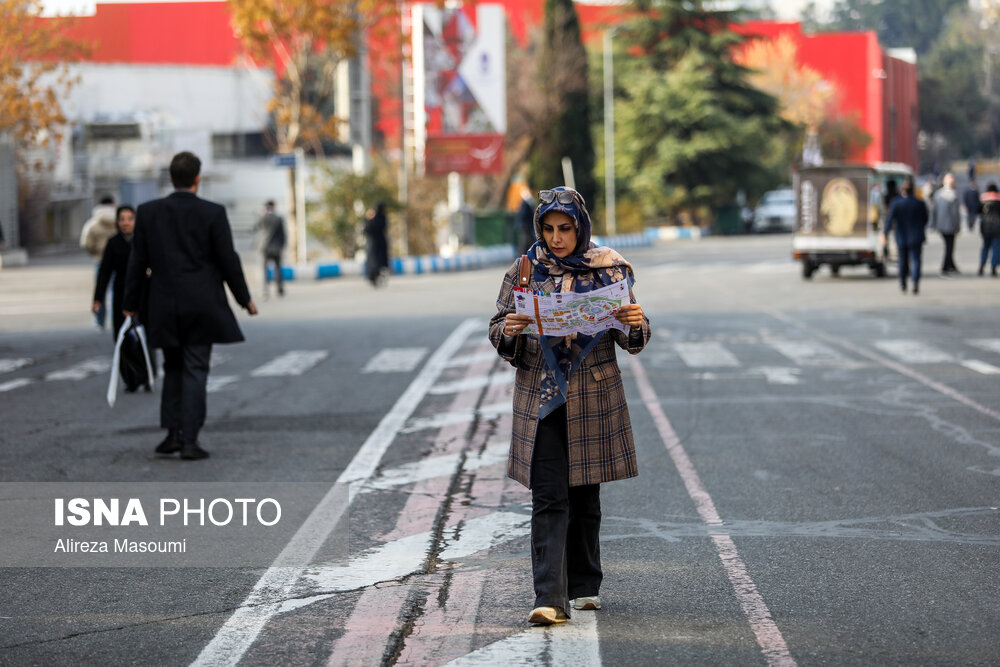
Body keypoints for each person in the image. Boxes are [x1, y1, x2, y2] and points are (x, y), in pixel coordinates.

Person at [489, 186, 650, 626]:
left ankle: (584, 584)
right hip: (541, 398)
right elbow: (497, 327)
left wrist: (635, 322)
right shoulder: (525, 269)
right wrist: (511, 329)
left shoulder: (609, 269)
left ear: (581, 227)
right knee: (549, 495)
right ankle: (549, 598)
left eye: (565, 228)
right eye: (549, 229)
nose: (556, 238)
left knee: (584, 495)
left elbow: (632, 338)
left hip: (592, 396)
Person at [123, 151, 257, 460]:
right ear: (197, 179)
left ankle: (172, 433)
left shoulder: (148, 212)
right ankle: (190, 440)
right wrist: (244, 299)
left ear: (171, 179)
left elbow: (137, 262)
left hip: (163, 304)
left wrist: (130, 303)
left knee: (172, 366)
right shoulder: (212, 213)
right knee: (195, 369)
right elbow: (227, 259)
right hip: (201, 304)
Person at [93, 205, 138, 342]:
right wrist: (98, 299)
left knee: (141, 335)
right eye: (122, 219)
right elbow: (104, 272)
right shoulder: (113, 243)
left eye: (130, 219)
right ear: (117, 222)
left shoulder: (141, 241)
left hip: (140, 292)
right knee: (120, 333)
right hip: (120, 291)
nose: (126, 223)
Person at [884, 177, 929, 295]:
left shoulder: (896, 203)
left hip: (901, 236)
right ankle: (915, 282)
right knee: (916, 260)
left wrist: (885, 233)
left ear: (903, 190)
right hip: (916, 236)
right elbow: (925, 219)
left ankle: (903, 282)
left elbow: (890, 219)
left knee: (903, 260)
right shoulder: (919, 203)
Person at [80, 195, 118, 330]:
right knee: (116, 292)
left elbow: (86, 243)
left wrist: (95, 252)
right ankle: (116, 319)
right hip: (118, 261)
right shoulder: (119, 221)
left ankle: (99, 321)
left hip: (100, 260)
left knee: (100, 291)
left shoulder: (93, 223)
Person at [930, 172, 961, 274]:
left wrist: (933, 224)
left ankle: (950, 264)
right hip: (950, 225)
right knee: (950, 246)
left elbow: (934, 211)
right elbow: (955, 214)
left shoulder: (938, 194)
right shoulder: (953, 195)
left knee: (948, 245)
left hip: (941, 224)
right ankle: (945, 265)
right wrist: (957, 226)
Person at [254, 200, 286, 298]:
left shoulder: (262, 218)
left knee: (264, 269)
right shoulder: (278, 218)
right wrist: (282, 245)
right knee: (278, 269)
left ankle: (265, 290)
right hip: (276, 247)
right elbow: (283, 234)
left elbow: (255, 228)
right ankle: (279, 289)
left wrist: (261, 214)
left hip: (265, 247)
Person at [363, 202, 389, 287]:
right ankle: (375, 277)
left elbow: (366, 229)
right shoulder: (381, 217)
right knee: (377, 262)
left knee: (375, 262)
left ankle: (376, 277)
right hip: (377, 243)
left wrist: (368, 219)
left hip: (373, 243)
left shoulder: (374, 218)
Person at [978, 182, 1000, 277]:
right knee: (996, 247)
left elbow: (978, 211)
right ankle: (993, 267)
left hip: (985, 227)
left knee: (985, 247)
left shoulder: (983, 198)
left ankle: (982, 265)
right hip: (997, 227)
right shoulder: (998, 199)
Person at [515, 186, 536, 255]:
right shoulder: (526, 202)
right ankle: (522, 256)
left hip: (525, 226)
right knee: (526, 242)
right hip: (525, 226)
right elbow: (524, 214)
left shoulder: (526, 202)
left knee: (526, 242)